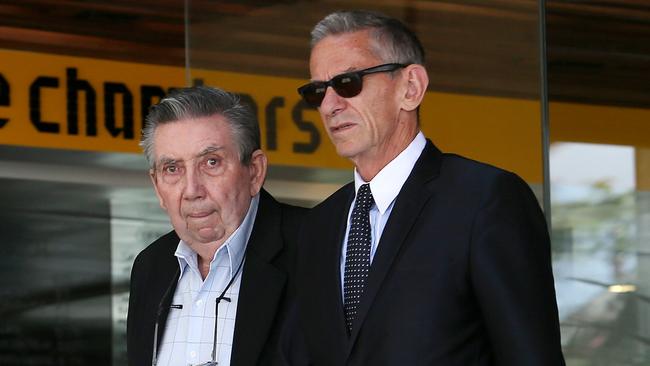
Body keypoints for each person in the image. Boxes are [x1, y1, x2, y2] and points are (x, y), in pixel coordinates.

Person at [290, 10, 566, 365]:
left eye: (348, 83)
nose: (329, 105)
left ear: (411, 88)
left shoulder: (485, 200)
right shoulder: (319, 226)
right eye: (316, 92)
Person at [127, 86, 304, 366]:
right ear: (158, 188)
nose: (192, 190)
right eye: (172, 169)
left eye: (211, 162)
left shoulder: (316, 246)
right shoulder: (150, 268)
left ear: (254, 172)